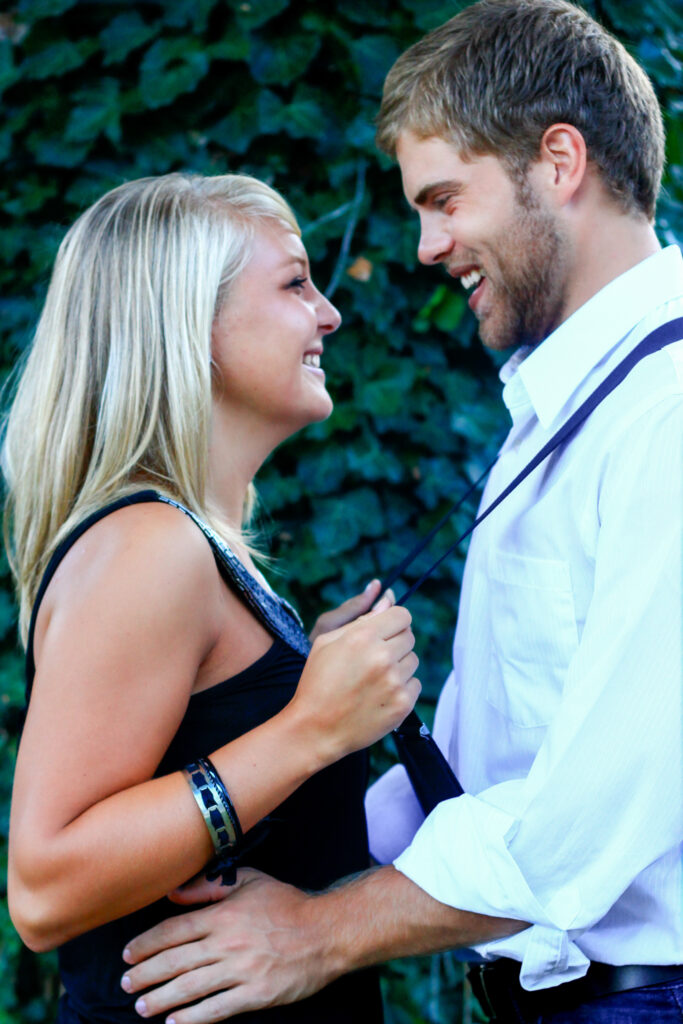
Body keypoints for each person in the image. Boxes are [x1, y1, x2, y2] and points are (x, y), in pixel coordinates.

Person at [118, 1, 683, 1022]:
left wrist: (312, 934)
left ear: (558, 162)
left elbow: (593, 807)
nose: (425, 246)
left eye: (443, 200)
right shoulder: (568, 399)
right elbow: (484, 762)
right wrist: (251, 802)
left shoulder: (666, 410)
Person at [3, 171, 422, 1023]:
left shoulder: (192, 549)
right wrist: (309, 729)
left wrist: (307, 687)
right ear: (192, 326)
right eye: (294, 282)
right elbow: (44, 888)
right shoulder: (149, 548)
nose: (329, 313)